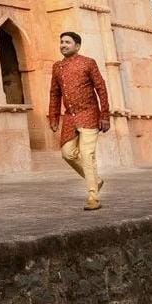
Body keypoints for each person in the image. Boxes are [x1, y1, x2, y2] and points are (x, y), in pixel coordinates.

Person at [47, 31, 110, 211]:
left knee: (87, 154)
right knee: (67, 154)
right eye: (61, 42)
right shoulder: (57, 67)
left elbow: (101, 88)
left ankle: (93, 196)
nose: (63, 45)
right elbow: (54, 93)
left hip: (89, 113)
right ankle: (96, 180)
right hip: (69, 116)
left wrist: (104, 115)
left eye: (67, 42)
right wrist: (53, 116)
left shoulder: (88, 63)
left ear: (77, 46)